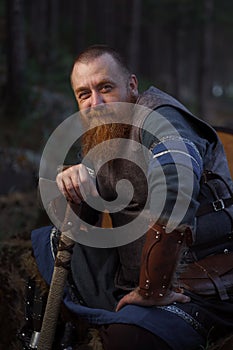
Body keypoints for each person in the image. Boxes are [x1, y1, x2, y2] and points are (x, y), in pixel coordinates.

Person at [30, 45, 233, 350]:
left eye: (105, 88)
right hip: (131, 272)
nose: (95, 103)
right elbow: (91, 219)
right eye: (84, 94)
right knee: (46, 244)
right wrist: (76, 187)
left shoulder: (161, 118)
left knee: (129, 339)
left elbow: (177, 183)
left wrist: (153, 290)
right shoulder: (103, 131)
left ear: (132, 85)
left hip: (197, 284)